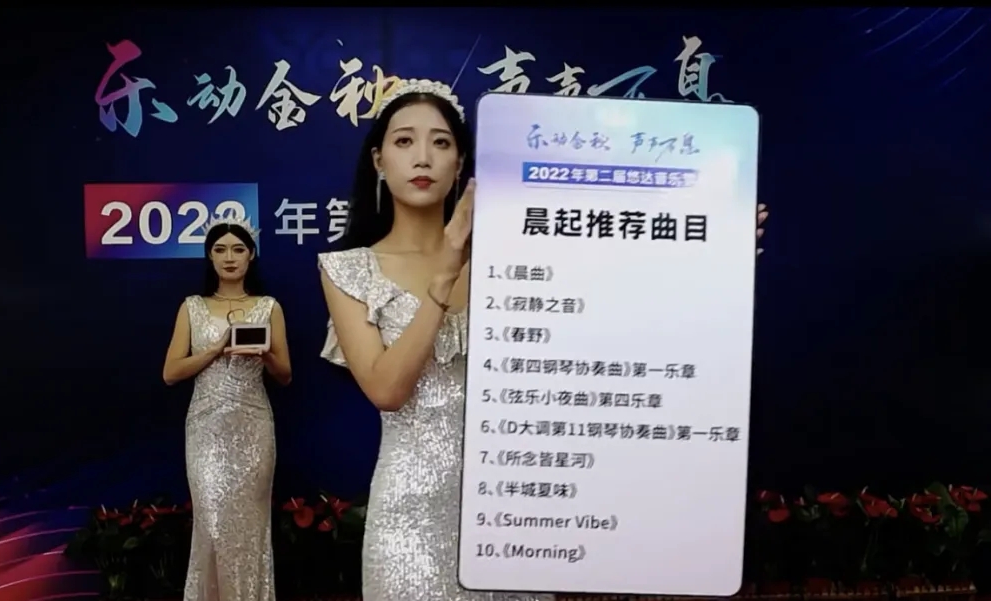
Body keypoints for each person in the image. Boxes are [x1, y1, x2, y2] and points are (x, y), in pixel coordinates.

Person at [317, 79, 769, 600]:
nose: (423, 157)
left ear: (461, 163)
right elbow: (386, 390)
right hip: (409, 518)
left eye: (441, 142)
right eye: (404, 141)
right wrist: (444, 275)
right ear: (378, 160)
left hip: (518, 512)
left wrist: (713, 258)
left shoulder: (518, 256)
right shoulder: (348, 268)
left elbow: (621, 319)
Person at [163, 217, 292, 601]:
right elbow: (171, 373)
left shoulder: (268, 307)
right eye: (220, 250)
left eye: (238, 249)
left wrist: (264, 353)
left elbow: (285, 375)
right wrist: (216, 349)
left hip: (253, 425)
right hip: (206, 428)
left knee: (251, 525)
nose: (229, 257)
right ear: (210, 257)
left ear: (251, 255)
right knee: (212, 524)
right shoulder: (192, 307)